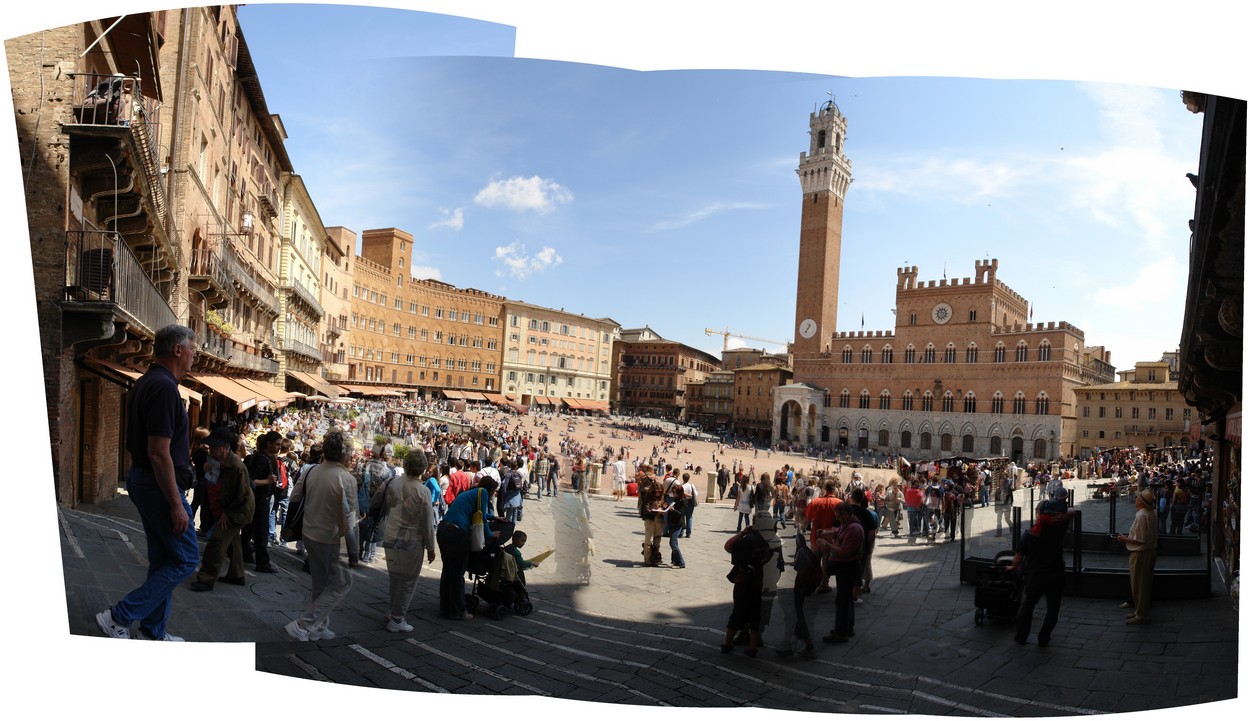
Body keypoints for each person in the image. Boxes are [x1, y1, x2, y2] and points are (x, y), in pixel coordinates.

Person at [95, 324, 200, 641]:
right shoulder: (165, 388)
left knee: (164, 558)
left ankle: (155, 631)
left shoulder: (148, 381)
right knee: (186, 558)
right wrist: (176, 505)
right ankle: (118, 616)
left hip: (145, 479)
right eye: (193, 348)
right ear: (178, 350)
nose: (195, 354)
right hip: (158, 484)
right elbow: (158, 453)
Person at [285, 430, 359, 641]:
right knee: (342, 584)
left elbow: (295, 497)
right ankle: (304, 624)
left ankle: (318, 625)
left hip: (309, 532)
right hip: (331, 537)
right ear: (346, 453)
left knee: (320, 582)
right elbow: (350, 520)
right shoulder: (346, 478)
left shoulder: (312, 470)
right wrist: (354, 551)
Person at [188, 428, 255, 592]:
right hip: (224, 508)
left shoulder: (237, 466)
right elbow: (214, 482)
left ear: (225, 447)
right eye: (210, 447)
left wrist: (227, 513)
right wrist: (207, 471)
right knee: (232, 542)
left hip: (238, 511)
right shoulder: (215, 460)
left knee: (216, 542)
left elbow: (242, 495)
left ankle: (206, 579)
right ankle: (237, 575)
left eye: (214, 447)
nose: (210, 450)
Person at [379, 451, 437, 633]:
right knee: (408, 580)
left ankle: (392, 611)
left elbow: (383, 503)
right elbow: (428, 523)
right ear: (423, 468)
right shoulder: (423, 490)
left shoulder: (393, 482)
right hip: (411, 540)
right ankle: (397, 619)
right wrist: (430, 547)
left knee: (395, 577)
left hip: (390, 535)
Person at [1009, 500, 1077, 646]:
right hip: (1056, 575)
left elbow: (1017, 560)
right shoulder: (1060, 528)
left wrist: (1012, 567)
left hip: (1036, 577)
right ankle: (1044, 637)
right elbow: (1072, 511)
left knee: (1028, 606)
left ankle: (1021, 636)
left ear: (1038, 514)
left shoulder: (1028, 536)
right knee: (1053, 609)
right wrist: (1063, 516)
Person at [437, 476, 501, 619]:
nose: (493, 494)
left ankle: (445, 608)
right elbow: (482, 517)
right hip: (457, 534)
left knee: (448, 572)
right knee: (458, 575)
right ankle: (458, 611)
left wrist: (494, 518)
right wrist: (491, 535)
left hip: (444, 530)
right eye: (494, 491)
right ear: (490, 489)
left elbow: (477, 512)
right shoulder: (483, 492)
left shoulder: (472, 492)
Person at [720, 523, 774, 657]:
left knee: (737, 612)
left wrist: (742, 532)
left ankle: (727, 644)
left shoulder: (744, 540)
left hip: (742, 581)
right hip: (757, 582)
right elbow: (769, 556)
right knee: (755, 615)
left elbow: (728, 545)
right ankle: (752, 647)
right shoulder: (766, 541)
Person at [818, 503, 863, 644]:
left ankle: (841, 633)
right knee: (846, 599)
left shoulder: (854, 529)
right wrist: (827, 532)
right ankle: (848, 628)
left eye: (839, 515)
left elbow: (845, 552)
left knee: (842, 601)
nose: (837, 518)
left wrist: (828, 545)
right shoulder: (848, 524)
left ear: (847, 514)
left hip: (848, 567)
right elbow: (838, 532)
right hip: (845, 567)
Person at [1115, 489, 1159, 625]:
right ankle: (1139, 611)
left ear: (1141, 502)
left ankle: (1141, 615)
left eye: (1138, 498)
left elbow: (1140, 539)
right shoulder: (1152, 513)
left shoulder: (1142, 516)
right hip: (1150, 551)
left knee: (1139, 585)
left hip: (1141, 553)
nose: (1136, 499)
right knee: (1144, 584)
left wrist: (1124, 539)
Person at [243, 430, 283, 573]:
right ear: (269, 443)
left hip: (259, 499)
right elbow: (251, 481)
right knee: (261, 532)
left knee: (250, 528)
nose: (279, 447)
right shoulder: (262, 459)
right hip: (259, 499)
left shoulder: (265, 457)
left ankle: (246, 554)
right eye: (277, 444)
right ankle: (262, 562)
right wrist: (267, 481)